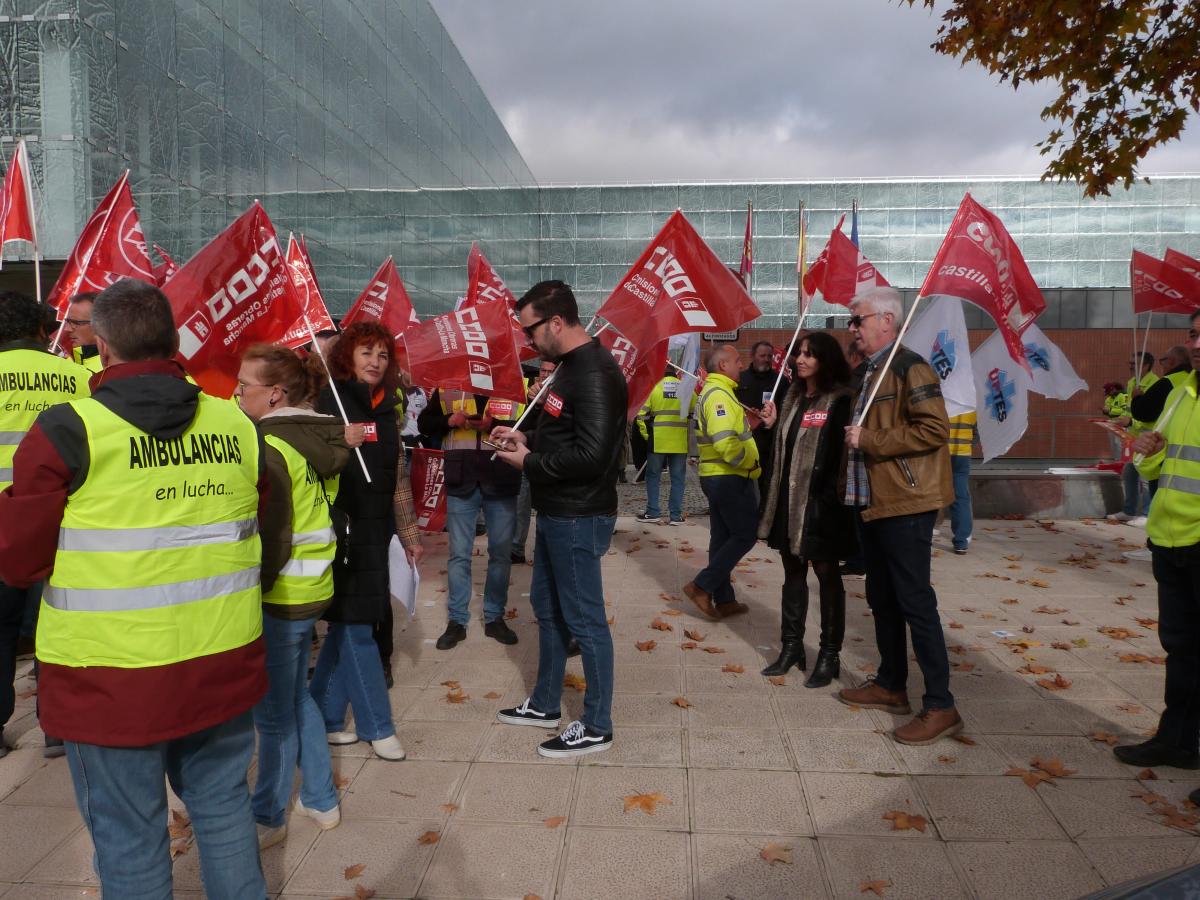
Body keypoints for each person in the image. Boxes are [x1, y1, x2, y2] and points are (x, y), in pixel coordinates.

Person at [0, 279, 268, 897]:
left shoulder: (69, 431)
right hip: (219, 659)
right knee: (224, 810)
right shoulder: (236, 422)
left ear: (104, 344)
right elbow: (267, 533)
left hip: (109, 677)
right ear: (172, 340)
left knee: (131, 836)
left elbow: (17, 561)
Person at [491, 281, 626, 758]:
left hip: (578, 513)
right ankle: (546, 702)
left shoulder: (594, 372)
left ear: (555, 322)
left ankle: (596, 723)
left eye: (529, 330)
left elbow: (593, 455)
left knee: (586, 621)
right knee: (548, 610)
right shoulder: (568, 369)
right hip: (555, 509)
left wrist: (527, 464)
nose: (527, 340)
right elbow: (564, 436)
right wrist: (525, 441)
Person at [235, 345, 349, 849]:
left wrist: (247, 590)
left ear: (275, 393)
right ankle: (321, 798)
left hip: (280, 593)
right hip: (312, 585)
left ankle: (267, 814)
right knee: (294, 695)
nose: (236, 394)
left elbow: (275, 534)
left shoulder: (271, 446)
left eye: (244, 387)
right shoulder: (320, 434)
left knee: (272, 713)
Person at [838, 286, 960, 745]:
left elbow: (933, 428)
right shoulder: (871, 370)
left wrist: (871, 440)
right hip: (874, 502)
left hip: (907, 502)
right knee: (882, 597)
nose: (853, 329)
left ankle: (941, 704)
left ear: (887, 321)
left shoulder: (910, 366)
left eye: (858, 320)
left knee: (914, 601)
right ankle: (891, 685)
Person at [311, 322, 421, 760]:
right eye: (366, 353)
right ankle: (378, 725)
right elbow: (309, 467)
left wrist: (410, 535)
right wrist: (339, 441)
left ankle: (325, 716)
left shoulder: (386, 409)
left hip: (380, 532)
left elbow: (398, 481)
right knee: (359, 628)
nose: (375, 362)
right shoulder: (327, 402)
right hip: (344, 533)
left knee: (347, 626)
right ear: (346, 357)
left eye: (381, 354)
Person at [0, 291, 90, 761]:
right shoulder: (77, 377)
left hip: (1, 518)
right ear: (42, 330)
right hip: (56, 516)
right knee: (54, 622)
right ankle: (56, 726)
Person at [1114, 310, 1200, 792]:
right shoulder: (1181, 392)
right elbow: (1156, 469)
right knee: (1181, 650)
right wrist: (1146, 452)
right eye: (1194, 334)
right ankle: (1177, 742)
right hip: (1170, 540)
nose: (1198, 343)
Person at [757, 333, 855, 685]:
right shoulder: (793, 397)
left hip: (823, 508)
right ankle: (791, 647)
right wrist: (769, 427)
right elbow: (775, 453)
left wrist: (827, 500)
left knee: (827, 576)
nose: (800, 359)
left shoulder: (840, 400)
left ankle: (829, 655)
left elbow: (838, 459)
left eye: (809, 355)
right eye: (799, 353)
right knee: (792, 573)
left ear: (825, 361)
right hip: (788, 501)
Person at [418, 386, 524, 649]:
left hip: (501, 477)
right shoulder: (446, 388)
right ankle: (457, 620)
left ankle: (494, 616)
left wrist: (493, 425)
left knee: (500, 552)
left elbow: (529, 427)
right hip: (461, 478)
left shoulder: (513, 386)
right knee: (459, 554)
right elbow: (424, 423)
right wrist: (449, 421)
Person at [684, 343, 761, 620]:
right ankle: (702, 586)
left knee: (723, 537)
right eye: (738, 360)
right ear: (723, 366)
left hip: (718, 477)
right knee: (744, 535)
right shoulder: (719, 395)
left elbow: (727, 433)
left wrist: (749, 425)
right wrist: (749, 463)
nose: (742, 365)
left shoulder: (719, 392)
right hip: (728, 476)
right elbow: (725, 443)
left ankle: (724, 598)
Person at [1123, 346, 1194, 558]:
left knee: (1159, 494)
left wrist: (1137, 399)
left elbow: (1144, 412)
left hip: (1163, 450)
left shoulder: (1170, 383)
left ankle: (1156, 544)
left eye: (1163, 359)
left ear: (1171, 362)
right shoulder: (1187, 382)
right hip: (1178, 454)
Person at [512, 359, 556, 564]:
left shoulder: (561, 393)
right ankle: (516, 548)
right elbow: (523, 425)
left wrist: (545, 403)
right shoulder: (529, 391)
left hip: (549, 460)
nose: (545, 375)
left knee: (547, 510)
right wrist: (534, 404)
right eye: (543, 370)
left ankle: (545, 551)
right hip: (528, 457)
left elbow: (553, 428)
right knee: (521, 504)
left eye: (550, 371)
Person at [635, 367, 690, 525]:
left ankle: (653, 512)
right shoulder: (685, 389)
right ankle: (675, 516)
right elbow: (696, 410)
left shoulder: (655, 388)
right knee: (678, 479)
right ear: (676, 373)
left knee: (653, 477)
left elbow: (640, 416)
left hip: (657, 442)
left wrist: (647, 436)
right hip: (679, 443)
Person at [1109, 351, 1158, 524]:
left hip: (1150, 439)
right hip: (1135, 438)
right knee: (1129, 473)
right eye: (1130, 363)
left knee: (1146, 477)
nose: (1131, 367)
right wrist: (1124, 421)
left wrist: (1130, 421)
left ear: (1146, 366)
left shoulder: (1155, 384)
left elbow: (1150, 415)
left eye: (1134, 364)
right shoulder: (1132, 383)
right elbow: (1132, 410)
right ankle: (1130, 511)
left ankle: (1146, 515)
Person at [737, 340, 782, 485]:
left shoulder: (780, 381)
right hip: (745, 441)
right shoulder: (739, 379)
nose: (766, 360)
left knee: (766, 483)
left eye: (770, 356)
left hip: (769, 443)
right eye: (762, 356)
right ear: (752, 356)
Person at [947, 412, 977, 554]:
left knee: (930, 492)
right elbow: (976, 431)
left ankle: (925, 536)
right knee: (961, 496)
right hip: (963, 452)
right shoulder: (972, 400)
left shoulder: (944, 397)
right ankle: (961, 541)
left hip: (940, 452)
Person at [62, 292, 103, 374]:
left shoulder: (110, 369)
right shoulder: (64, 362)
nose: (67, 329)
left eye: (76, 323)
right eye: (68, 321)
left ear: (100, 325)